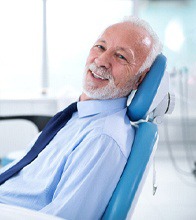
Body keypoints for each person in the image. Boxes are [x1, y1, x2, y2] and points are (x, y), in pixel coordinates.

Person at [0, 16, 162, 220]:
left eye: (121, 56)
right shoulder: (78, 116)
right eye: (100, 47)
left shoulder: (103, 138)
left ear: (140, 78)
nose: (101, 61)